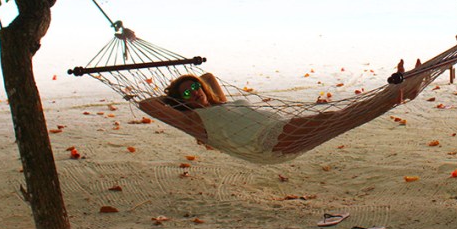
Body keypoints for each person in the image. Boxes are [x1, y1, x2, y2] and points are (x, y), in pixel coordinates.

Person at [138, 69, 412, 164]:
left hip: (278, 128)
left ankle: (398, 93)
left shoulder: (219, 104)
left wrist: (192, 85)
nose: (195, 92)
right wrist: (173, 100)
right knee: (334, 118)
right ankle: (396, 94)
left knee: (337, 118)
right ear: (181, 102)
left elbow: (208, 77)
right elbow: (146, 104)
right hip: (267, 141)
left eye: (196, 87)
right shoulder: (193, 122)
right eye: (188, 93)